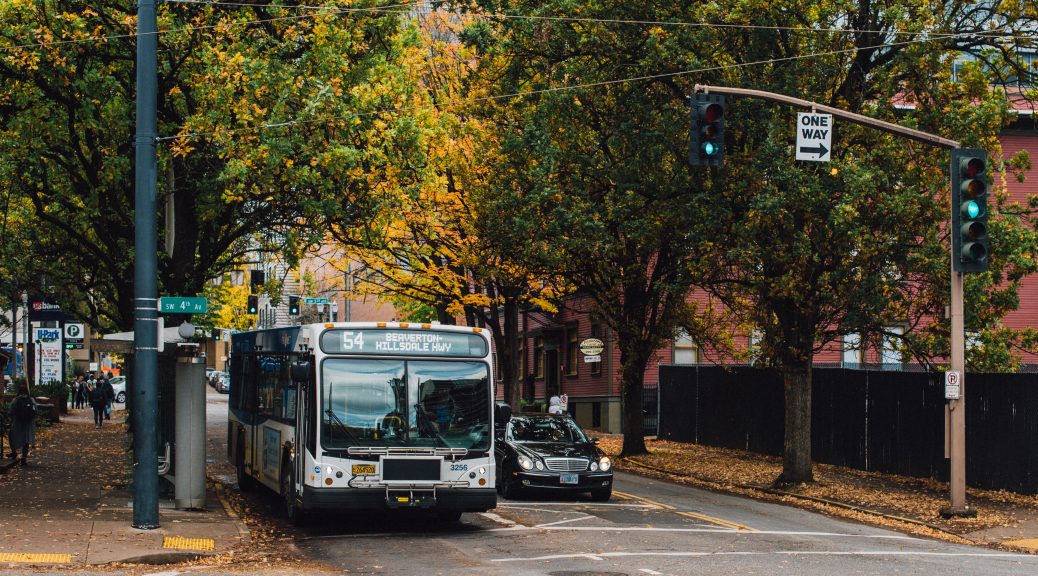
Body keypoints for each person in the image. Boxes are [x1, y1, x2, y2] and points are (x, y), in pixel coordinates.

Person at [7, 385, 37, 465]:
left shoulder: (15, 400)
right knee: (26, 440)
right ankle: (24, 458)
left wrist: (12, 420)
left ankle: (14, 452)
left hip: (17, 422)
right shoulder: (31, 400)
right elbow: (35, 411)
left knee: (12, 436)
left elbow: (11, 411)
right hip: (28, 423)